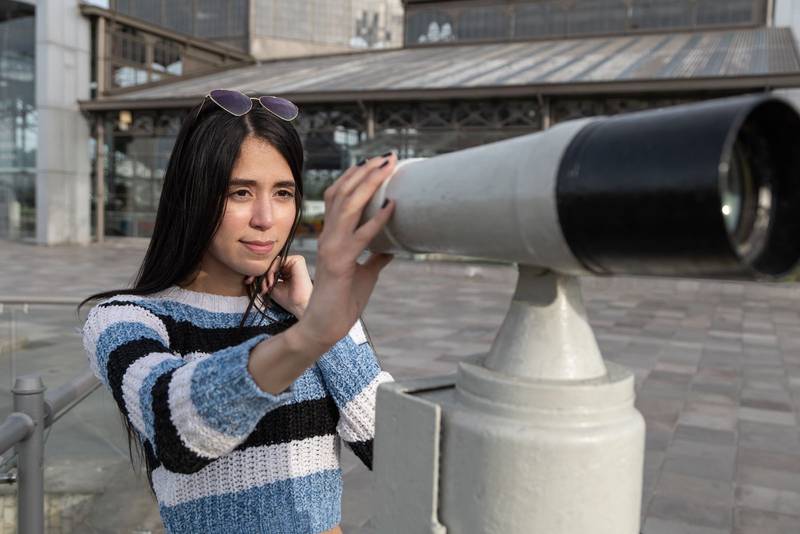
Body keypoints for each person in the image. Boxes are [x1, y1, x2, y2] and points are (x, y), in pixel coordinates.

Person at [80, 89, 397, 534]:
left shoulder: (309, 313)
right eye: (240, 192)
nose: (266, 218)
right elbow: (176, 427)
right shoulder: (126, 319)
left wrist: (312, 314)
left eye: (283, 192)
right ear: (194, 196)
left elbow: (394, 449)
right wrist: (309, 338)